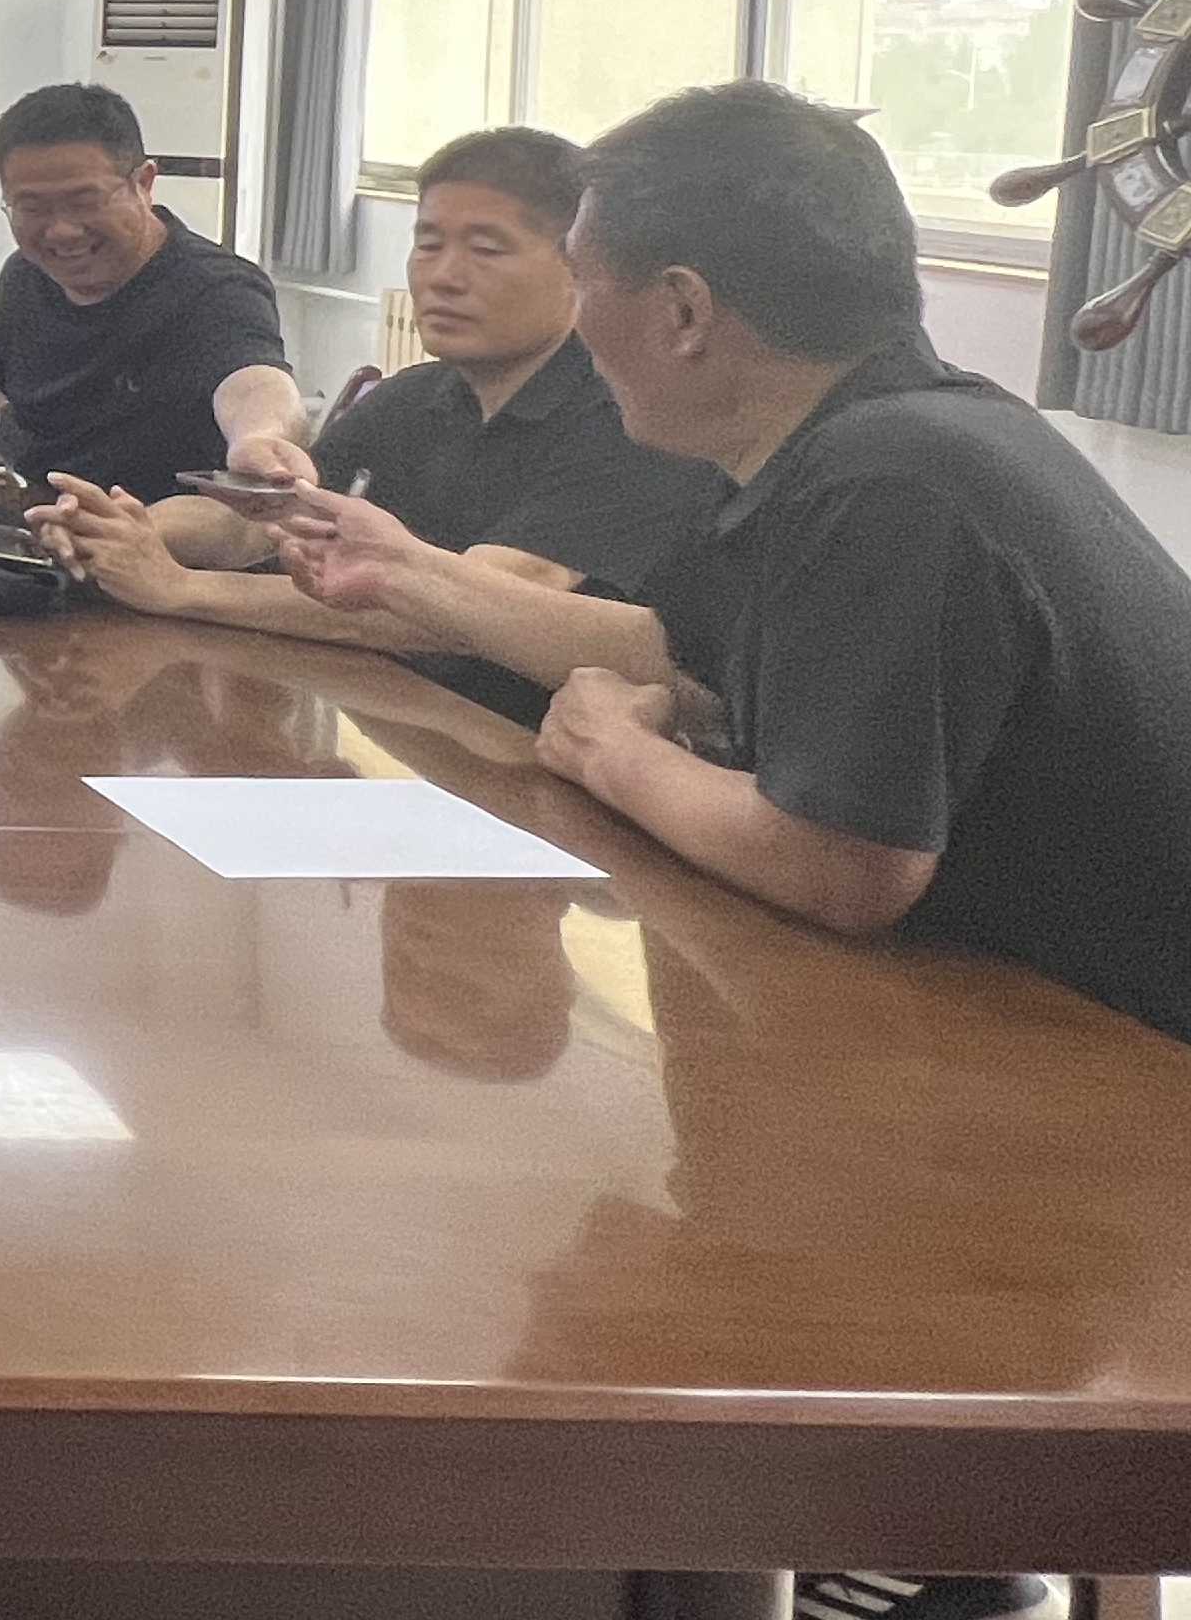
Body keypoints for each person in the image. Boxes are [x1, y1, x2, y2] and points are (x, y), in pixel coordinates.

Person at [409, 82, 1191, 1049]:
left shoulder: (892, 484)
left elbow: (843, 867)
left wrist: (613, 751)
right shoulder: (859, 439)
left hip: (1125, 1054)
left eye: (582, 280)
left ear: (683, 310)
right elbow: (688, 658)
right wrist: (408, 574)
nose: (577, 326)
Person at [34, 126, 717, 722]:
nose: (443, 277)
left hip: (525, 758)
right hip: (391, 723)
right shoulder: (411, 398)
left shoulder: (626, 416)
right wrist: (118, 532)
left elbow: (466, 609)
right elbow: (260, 523)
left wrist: (184, 590)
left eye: (487, 249)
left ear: (578, 267)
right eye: (428, 244)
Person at [0, 82, 310, 501]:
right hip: (25, 522)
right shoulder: (29, 275)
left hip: (149, 540)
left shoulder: (215, 288)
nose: (61, 231)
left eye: (85, 202)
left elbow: (254, 379)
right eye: (32, 208)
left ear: (144, 183)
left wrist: (260, 438)